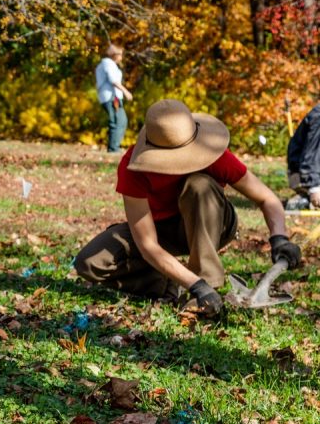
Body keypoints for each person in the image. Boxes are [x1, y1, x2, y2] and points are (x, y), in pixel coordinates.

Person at [75, 99, 301, 317]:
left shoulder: (212, 153)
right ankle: (169, 283)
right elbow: (147, 244)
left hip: (213, 221)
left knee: (199, 185)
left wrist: (279, 237)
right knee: (90, 263)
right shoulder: (133, 167)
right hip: (162, 230)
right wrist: (195, 285)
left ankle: (207, 279)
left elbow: (266, 198)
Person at [95, 43, 133, 153]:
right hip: (112, 97)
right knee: (117, 121)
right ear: (114, 55)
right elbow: (113, 81)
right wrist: (126, 92)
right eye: (120, 55)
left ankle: (114, 147)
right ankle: (113, 149)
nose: (121, 57)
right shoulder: (108, 64)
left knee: (120, 120)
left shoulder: (107, 64)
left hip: (112, 97)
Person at [286, 103, 320, 209]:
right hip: (302, 176)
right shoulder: (319, 116)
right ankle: (305, 196)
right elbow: (311, 156)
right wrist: (315, 188)